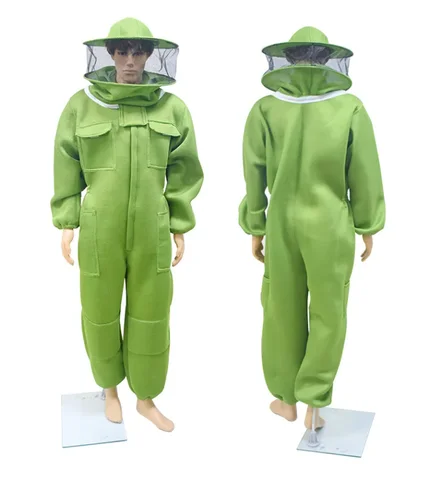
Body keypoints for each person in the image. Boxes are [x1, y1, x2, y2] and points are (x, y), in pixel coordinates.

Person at [51, 17, 203, 432]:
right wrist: (67, 221)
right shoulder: (82, 105)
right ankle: (110, 390)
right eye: (122, 52)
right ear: (111, 55)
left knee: (152, 313)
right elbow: (66, 163)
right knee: (99, 310)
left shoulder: (171, 107)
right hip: (99, 226)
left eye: (138, 52)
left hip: (152, 227)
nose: (130, 61)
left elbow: (184, 169)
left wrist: (179, 222)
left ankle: (146, 398)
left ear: (151, 55)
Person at [239, 26, 385, 429]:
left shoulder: (265, 109)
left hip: (281, 224)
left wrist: (256, 225)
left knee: (280, 309)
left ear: (288, 59)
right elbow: (364, 172)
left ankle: (285, 398)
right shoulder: (350, 108)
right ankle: (313, 403)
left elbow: (254, 173)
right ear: (326, 60)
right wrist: (367, 225)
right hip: (330, 224)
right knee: (328, 312)